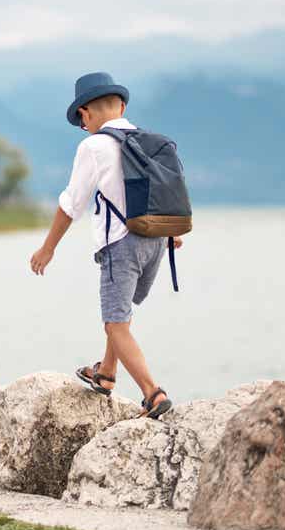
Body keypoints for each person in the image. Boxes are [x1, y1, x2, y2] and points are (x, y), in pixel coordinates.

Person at [28, 71, 180, 419]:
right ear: (122, 105)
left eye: (81, 120)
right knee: (122, 314)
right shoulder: (145, 139)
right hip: (156, 240)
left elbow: (71, 204)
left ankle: (152, 394)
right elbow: (160, 192)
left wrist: (48, 248)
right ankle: (106, 373)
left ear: (84, 113)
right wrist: (171, 234)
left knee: (115, 323)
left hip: (122, 245)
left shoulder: (93, 146)